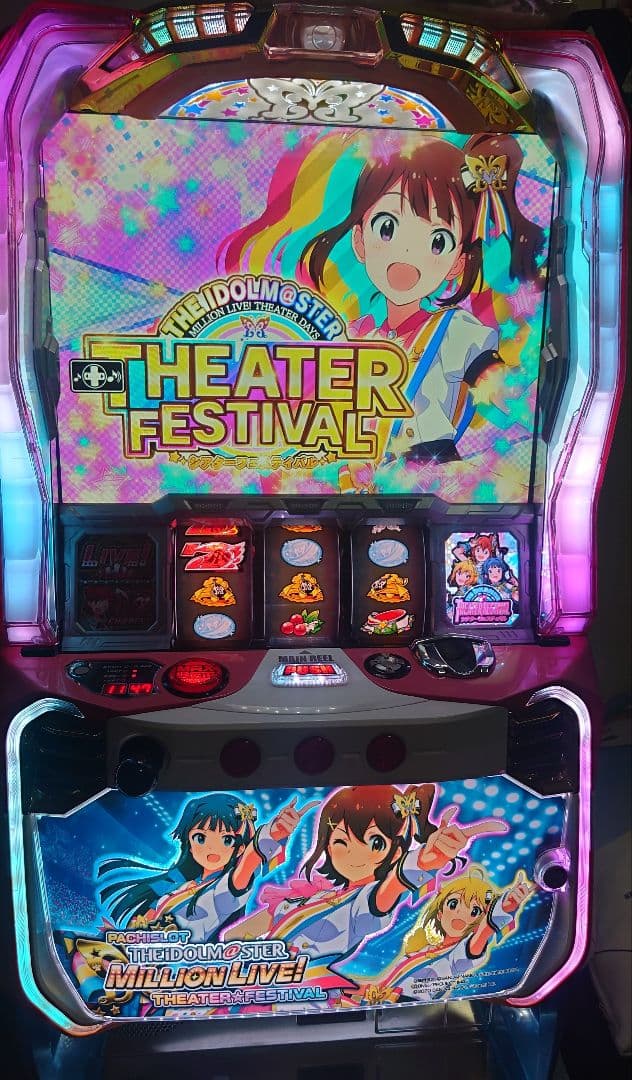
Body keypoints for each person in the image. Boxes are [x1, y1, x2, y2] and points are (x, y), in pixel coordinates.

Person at [221, 131, 544, 466]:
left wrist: (529, 380)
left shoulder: (456, 330)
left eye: (438, 241)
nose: (407, 253)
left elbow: (503, 393)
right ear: (359, 240)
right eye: (387, 228)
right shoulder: (363, 335)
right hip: (370, 475)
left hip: (431, 473)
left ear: (458, 263)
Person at [97, 792, 313, 942]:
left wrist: (273, 834)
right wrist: (124, 939)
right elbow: (147, 923)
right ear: (189, 841)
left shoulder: (226, 891)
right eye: (201, 837)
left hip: (197, 974)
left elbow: (248, 864)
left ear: (239, 847)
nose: (212, 848)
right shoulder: (175, 881)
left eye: (227, 839)